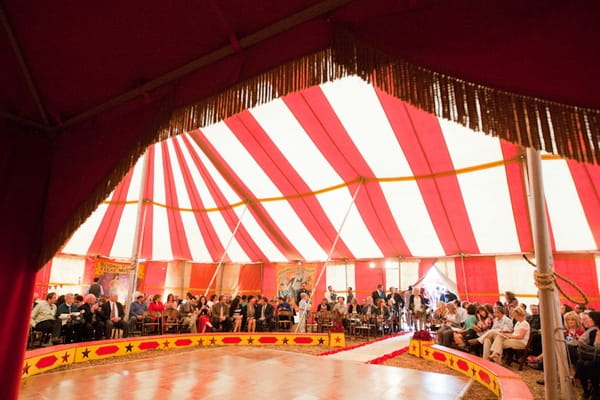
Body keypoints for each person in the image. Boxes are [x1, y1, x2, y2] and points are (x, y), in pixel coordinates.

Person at [570, 311, 600, 399]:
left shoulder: (594, 331)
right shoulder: (595, 331)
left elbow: (595, 349)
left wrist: (581, 342)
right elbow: (594, 348)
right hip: (594, 355)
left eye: (587, 319)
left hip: (596, 357)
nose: (584, 322)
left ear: (595, 320)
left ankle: (596, 391)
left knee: (589, 364)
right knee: (580, 363)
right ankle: (586, 390)